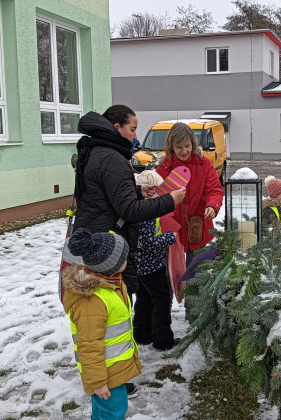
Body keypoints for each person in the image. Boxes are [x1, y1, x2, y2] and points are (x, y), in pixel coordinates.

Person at [73, 105, 186, 296]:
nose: (135, 136)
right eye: (132, 129)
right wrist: (169, 200)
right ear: (117, 127)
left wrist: (137, 191)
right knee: (114, 306)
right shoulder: (112, 158)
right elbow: (130, 210)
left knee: (99, 304)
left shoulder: (96, 150)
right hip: (109, 247)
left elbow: (102, 194)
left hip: (96, 237)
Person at [62, 228, 140, 420]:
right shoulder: (94, 301)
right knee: (113, 413)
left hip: (112, 368)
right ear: (110, 266)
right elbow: (88, 344)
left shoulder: (112, 283)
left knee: (104, 412)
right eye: (122, 258)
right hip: (105, 373)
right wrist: (97, 381)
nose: (126, 260)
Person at [156, 123, 223, 265]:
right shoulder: (163, 168)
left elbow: (214, 190)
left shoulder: (203, 164)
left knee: (197, 275)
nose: (184, 151)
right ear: (171, 147)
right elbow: (156, 199)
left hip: (198, 229)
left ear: (193, 143)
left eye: (187, 146)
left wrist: (212, 206)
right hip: (172, 233)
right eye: (179, 147)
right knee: (174, 278)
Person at [133, 170, 180, 351]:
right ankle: (163, 340)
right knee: (161, 301)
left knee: (143, 300)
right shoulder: (148, 212)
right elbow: (148, 242)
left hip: (138, 267)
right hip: (151, 266)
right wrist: (170, 237)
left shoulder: (134, 207)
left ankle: (142, 334)